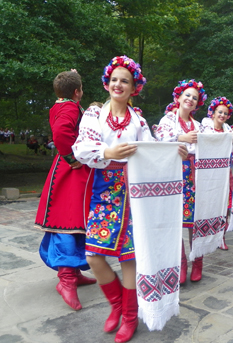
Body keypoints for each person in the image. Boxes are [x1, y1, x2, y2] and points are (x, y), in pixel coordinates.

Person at [73, 56, 187, 343]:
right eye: (114, 79)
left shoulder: (138, 120)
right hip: (104, 191)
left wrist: (176, 152)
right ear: (107, 83)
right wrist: (108, 153)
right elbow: (81, 149)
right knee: (93, 255)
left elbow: (152, 151)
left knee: (129, 257)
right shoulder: (93, 114)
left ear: (134, 87)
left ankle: (129, 316)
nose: (118, 84)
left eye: (125, 80)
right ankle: (116, 305)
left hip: (135, 194)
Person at [34, 70, 96, 312]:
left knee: (76, 222)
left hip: (69, 170)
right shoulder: (70, 108)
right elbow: (61, 135)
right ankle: (66, 281)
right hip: (69, 172)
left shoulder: (60, 105)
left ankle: (74, 274)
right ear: (77, 92)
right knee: (68, 222)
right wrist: (72, 159)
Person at [154, 79, 207, 284]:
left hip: (195, 174)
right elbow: (160, 138)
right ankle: (181, 263)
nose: (191, 99)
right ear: (178, 97)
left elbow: (210, 143)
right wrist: (182, 137)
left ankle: (198, 261)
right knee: (176, 219)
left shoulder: (199, 125)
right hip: (174, 172)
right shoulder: (168, 119)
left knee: (195, 220)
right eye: (187, 95)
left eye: (194, 97)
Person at [201, 97, 233, 250]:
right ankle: (206, 235)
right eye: (220, 112)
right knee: (210, 204)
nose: (222, 115)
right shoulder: (204, 128)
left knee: (225, 205)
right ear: (212, 113)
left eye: (225, 113)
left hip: (226, 172)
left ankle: (221, 237)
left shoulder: (228, 131)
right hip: (209, 174)